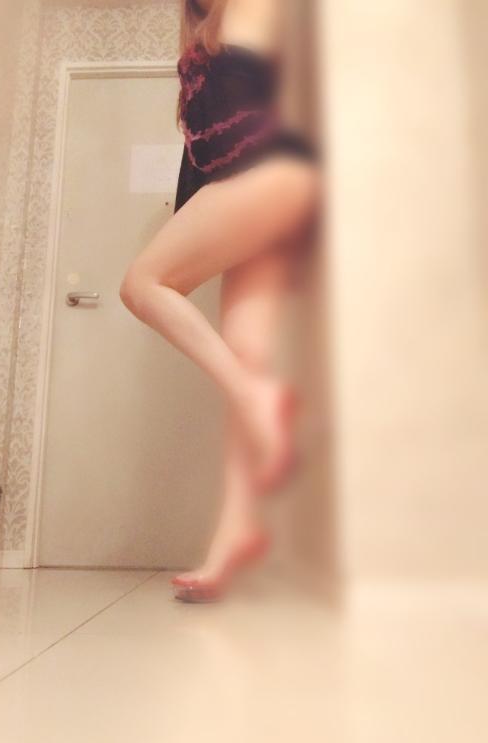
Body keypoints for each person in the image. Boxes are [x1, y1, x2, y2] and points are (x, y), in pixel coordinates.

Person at [120, 0, 319, 602]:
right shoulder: (203, 29)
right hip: (263, 190)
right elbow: (199, 159)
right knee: (246, 354)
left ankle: (263, 403)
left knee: (142, 284)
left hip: (266, 175)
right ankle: (235, 534)